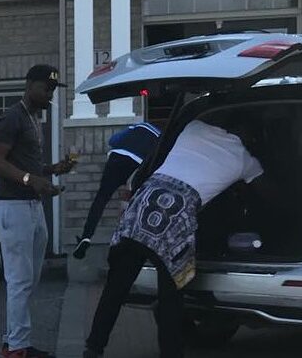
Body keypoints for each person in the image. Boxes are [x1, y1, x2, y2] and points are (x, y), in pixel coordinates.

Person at [83, 114, 265, 358]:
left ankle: (93, 348)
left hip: (142, 204)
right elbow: (266, 191)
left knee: (115, 289)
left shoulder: (194, 127)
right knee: (171, 299)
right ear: (248, 134)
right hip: (174, 217)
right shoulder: (245, 160)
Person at [0, 65, 76, 358]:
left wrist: (53, 170)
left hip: (32, 205)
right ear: (30, 85)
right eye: (46, 88)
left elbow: (28, 166)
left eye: (53, 90)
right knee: (20, 280)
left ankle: (14, 341)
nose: (50, 94)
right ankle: (17, 349)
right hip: (13, 206)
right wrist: (30, 179)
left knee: (29, 280)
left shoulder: (33, 119)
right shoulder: (12, 117)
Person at [73, 122, 161, 259]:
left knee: (101, 198)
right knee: (134, 203)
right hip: (137, 163)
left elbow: (113, 140)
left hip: (117, 157)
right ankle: (129, 240)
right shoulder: (160, 137)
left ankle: (86, 236)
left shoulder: (136, 126)